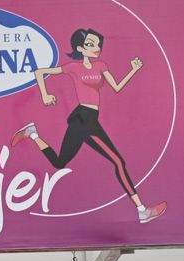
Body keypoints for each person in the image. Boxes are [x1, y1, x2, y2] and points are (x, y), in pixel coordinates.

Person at [12, 27, 167, 224]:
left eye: (97, 45)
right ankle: (142, 211)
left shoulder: (101, 65)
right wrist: (45, 94)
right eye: (90, 44)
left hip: (89, 119)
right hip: (83, 118)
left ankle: (32, 133)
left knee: (59, 163)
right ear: (80, 48)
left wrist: (133, 70)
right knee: (118, 162)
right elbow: (40, 72)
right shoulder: (73, 68)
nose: (96, 48)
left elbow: (117, 87)